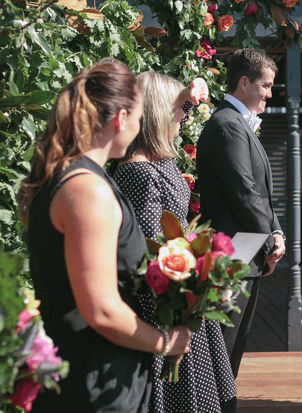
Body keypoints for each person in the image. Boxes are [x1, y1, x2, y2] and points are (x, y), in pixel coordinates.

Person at [17, 58, 191, 412]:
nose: (142, 125)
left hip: (91, 372)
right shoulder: (86, 190)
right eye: (140, 116)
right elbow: (101, 310)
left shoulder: (74, 176)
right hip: (95, 380)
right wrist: (164, 342)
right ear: (121, 118)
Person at [111, 72, 237, 413]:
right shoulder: (137, 172)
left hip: (184, 295)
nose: (185, 114)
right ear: (157, 112)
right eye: (180, 107)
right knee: (181, 400)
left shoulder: (161, 160)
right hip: (166, 308)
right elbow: (153, 250)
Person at [196, 48, 286, 378]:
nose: (270, 93)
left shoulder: (236, 124)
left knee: (232, 350)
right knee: (223, 351)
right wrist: (269, 244)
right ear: (244, 82)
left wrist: (276, 233)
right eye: (266, 85)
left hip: (246, 250)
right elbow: (244, 194)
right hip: (233, 254)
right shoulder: (227, 126)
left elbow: (258, 193)